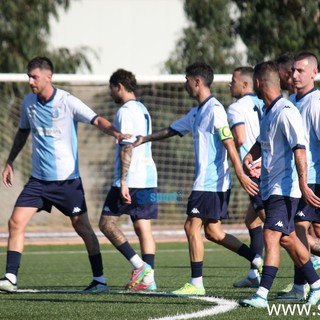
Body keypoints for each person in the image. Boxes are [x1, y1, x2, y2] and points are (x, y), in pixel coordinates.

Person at [0, 56, 130, 294]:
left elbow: (96, 119)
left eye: (34, 76)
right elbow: (22, 132)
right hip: (38, 182)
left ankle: (99, 280)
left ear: (48, 77)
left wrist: (116, 133)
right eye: (28, 76)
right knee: (15, 222)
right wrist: (9, 161)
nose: (30, 81)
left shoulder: (67, 102)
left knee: (83, 229)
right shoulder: (28, 102)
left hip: (67, 183)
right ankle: (10, 277)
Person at [134, 61, 261, 296]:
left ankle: (196, 283)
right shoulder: (197, 112)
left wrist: (240, 174)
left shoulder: (215, 109)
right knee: (214, 232)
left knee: (191, 226)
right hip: (207, 183)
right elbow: (171, 130)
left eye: (186, 80)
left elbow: (230, 143)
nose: (185, 84)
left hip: (211, 182)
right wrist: (145, 139)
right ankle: (255, 258)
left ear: (197, 82)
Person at [239, 61, 320, 308]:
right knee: (287, 239)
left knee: (271, 235)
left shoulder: (286, 111)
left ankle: (262, 294)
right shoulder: (268, 111)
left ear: (257, 83)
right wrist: (250, 155)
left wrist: (304, 185)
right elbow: (262, 142)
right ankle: (316, 286)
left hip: (284, 189)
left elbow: (300, 149)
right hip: (271, 187)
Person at [98, 69, 158, 291]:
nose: (111, 92)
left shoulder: (124, 111)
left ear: (119, 86)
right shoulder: (143, 109)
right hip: (148, 175)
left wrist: (123, 181)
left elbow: (127, 148)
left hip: (131, 177)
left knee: (106, 223)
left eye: (112, 88)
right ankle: (149, 281)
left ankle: (139, 267)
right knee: (143, 227)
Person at [275, 52, 320, 301]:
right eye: (292, 71)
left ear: (314, 72)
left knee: (296, 233)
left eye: (300, 71)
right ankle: (301, 286)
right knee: (295, 233)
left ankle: (304, 287)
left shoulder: (315, 103)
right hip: (296, 179)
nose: (294, 75)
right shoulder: (291, 100)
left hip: (313, 179)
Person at [227, 67, 265, 288]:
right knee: (251, 220)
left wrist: (227, 152)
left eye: (233, 81)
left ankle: (310, 265)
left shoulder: (235, 108)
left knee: (277, 226)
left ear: (245, 84)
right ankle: (253, 273)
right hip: (271, 166)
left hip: (254, 171)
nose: (229, 85)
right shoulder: (265, 102)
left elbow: (240, 138)